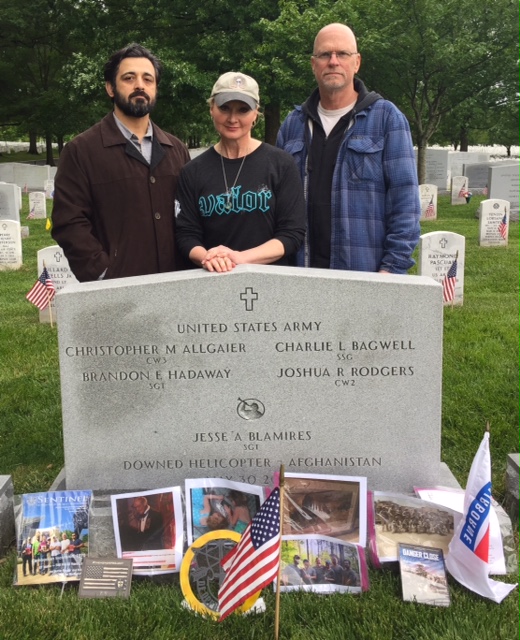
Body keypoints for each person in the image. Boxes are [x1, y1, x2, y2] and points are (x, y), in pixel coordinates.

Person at [277, 23, 421, 274]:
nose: (333, 61)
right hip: (300, 274)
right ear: (314, 64)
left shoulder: (386, 119)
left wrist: (392, 269)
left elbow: (405, 202)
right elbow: (277, 204)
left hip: (364, 274)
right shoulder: (293, 124)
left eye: (342, 54)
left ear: (357, 62)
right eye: (324, 55)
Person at [52, 43, 190, 282]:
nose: (140, 85)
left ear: (156, 88)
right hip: (116, 290)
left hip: (176, 285)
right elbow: (69, 222)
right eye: (129, 78)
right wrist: (103, 273)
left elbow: (190, 215)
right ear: (110, 88)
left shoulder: (176, 149)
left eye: (148, 79)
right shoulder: (81, 151)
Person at [175, 72, 306, 273]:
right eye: (224, 108)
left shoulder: (281, 164)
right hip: (213, 281)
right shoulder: (192, 171)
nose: (232, 118)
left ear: (256, 113)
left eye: (243, 110)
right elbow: (186, 234)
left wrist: (239, 259)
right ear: (211, 108)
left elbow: (292, 234)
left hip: (271, 284)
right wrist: (208, 258)